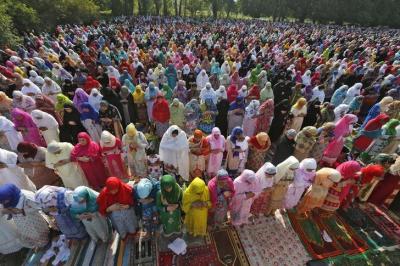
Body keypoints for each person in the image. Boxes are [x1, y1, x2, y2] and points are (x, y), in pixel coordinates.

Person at [0, 184, 49, 249]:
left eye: (6, 201)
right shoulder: (8, 201)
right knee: (30, 234)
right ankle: (38, 244)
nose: (5, 202)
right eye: (3, 202)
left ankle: (46, 243)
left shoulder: (26, 196)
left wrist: (22, 211)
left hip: (33, 219)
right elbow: (5, 209)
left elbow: (38, 207)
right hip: (23, 223)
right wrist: (9, 211)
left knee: (39, 232)